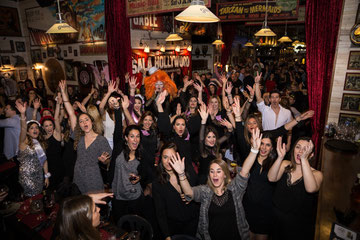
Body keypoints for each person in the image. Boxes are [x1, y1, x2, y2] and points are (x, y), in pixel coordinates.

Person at [170, 128, 264, 240]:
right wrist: (181, 174)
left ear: (225, 174)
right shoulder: (205, 191)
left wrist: (254, 151)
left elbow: (244, 172)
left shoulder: (234, 189)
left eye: (219, 171)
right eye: (212, 171)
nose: (215, 175)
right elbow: (189, 192)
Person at [59, 80, 112, 194]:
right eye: (81, 121)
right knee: (81, 207)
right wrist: (63, 92)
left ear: (92, 122)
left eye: (86, 119)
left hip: (93, 176)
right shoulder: (78, 135)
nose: (84, 123)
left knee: (95, 207)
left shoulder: (101, 140)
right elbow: (71, 113)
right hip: (78, 176)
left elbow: (108, 160)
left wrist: (104, 160)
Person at [268, 137, 323, 240]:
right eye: (298, 147)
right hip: (276, 221)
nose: (301, 151)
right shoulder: (285, 164)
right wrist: (280, 157)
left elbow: (311, 189)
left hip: (297, 227)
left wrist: (303, 159)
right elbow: (271, 178)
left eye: (305, 149)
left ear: (311, 155)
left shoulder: (317, 174)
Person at [152, 143, 199, 240]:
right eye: (165, 157)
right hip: (174, 227)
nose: (169, 161)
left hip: (194, 224)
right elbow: (160, 213)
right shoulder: (158, 183)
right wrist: (167, 235)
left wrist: (192, 196)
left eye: (172, 157)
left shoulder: (189, 172)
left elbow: (199, 194)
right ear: (161, 159)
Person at [15, 101, 49, 197]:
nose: (35, 130)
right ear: (28, 132)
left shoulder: (40, 143)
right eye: (32, 128)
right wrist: (22, 114)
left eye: (36, 128)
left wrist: (46, 176)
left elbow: (45, 161)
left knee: (39, 200)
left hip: (39, 176)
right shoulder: (23, 142)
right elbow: (23, 128)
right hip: (27, 177)